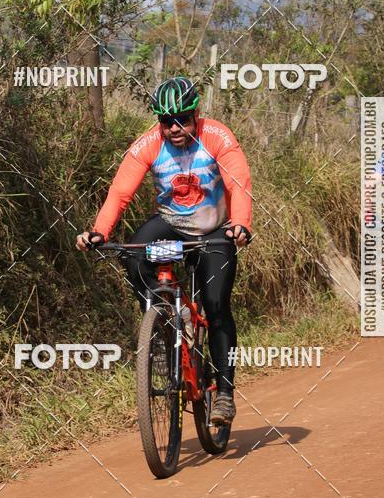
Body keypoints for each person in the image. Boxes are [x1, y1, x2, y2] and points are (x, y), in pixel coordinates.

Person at [76, 77, 253, 426]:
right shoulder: (148, 144)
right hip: (171, 224)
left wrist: (240, 223)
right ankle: (166, 325)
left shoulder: (217, 136)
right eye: (166, 121)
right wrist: (99, 232)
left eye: (182, 120)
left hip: (215, 230)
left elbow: (238, 182)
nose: (174, 128)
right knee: (133, 255)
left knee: (217, 307)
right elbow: (120, 192)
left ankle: (226, 393)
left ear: (196, 115)